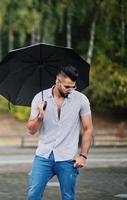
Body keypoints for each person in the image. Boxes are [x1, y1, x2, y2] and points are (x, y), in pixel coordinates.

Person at [27, 65, 93, 200]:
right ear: (57, 82)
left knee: (69, 197)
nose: (71, 90)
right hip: (43, 156)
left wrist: (83, 156)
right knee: (33, 195)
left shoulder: (81, 99)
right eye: (67, 86)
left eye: (73, 86)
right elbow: (31, 130)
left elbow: (88, 128)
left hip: (68, 158)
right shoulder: (39, 98)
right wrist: (40, 116)